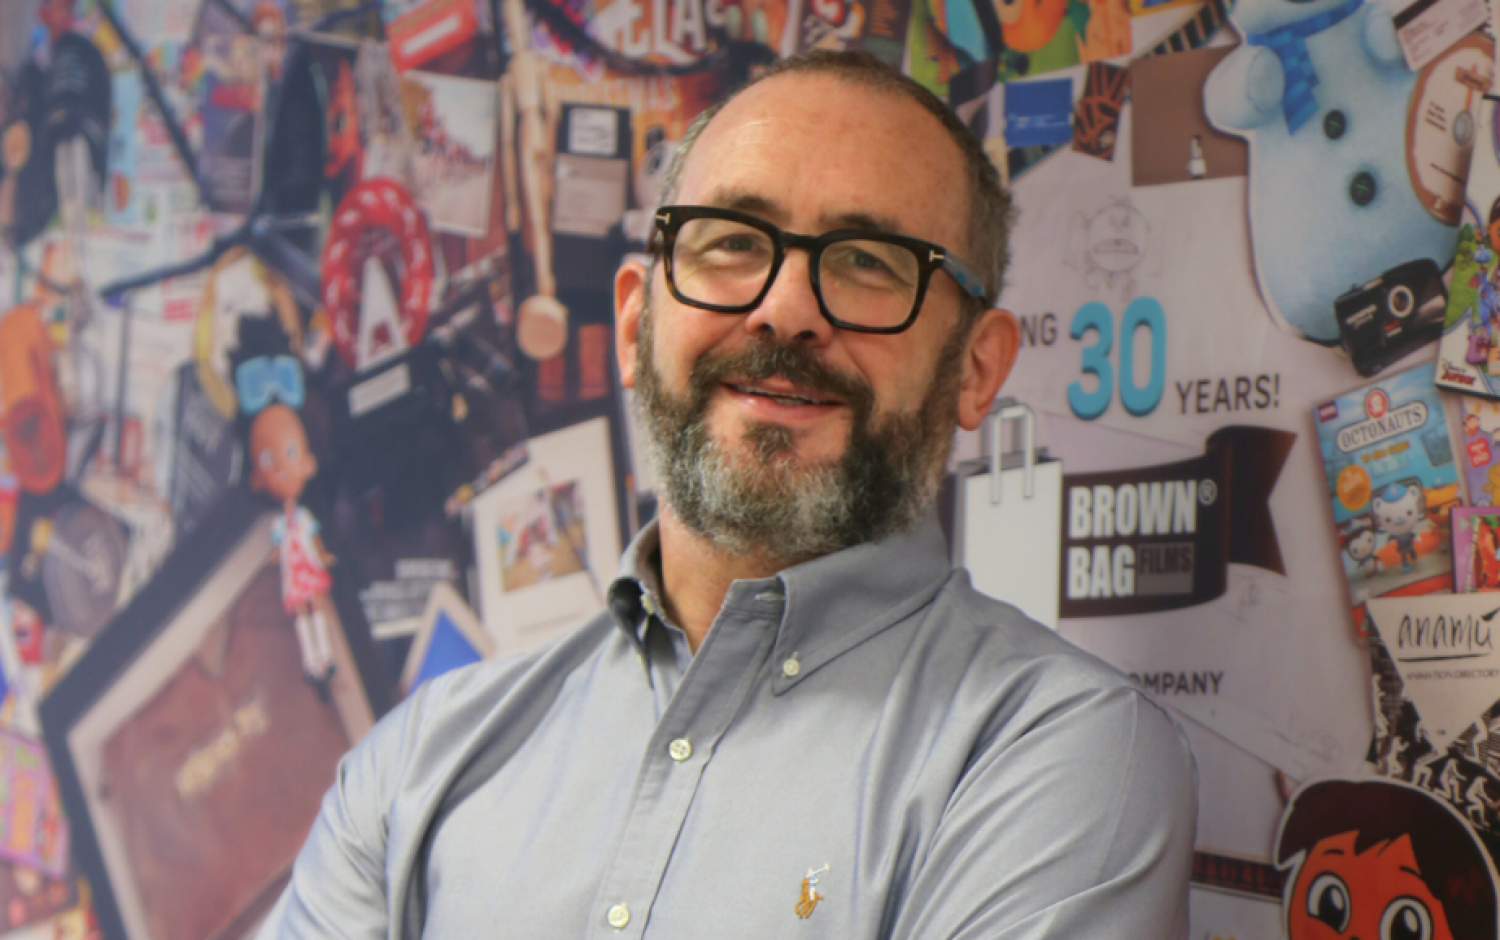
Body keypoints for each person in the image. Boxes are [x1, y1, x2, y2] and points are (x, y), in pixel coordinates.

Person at [259, 49, 1197, 939]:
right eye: (733, 243)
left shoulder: (1061, 757)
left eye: (869, 261)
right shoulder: (416, 766)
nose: (785, 310)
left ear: (976, 369)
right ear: (635, 324)